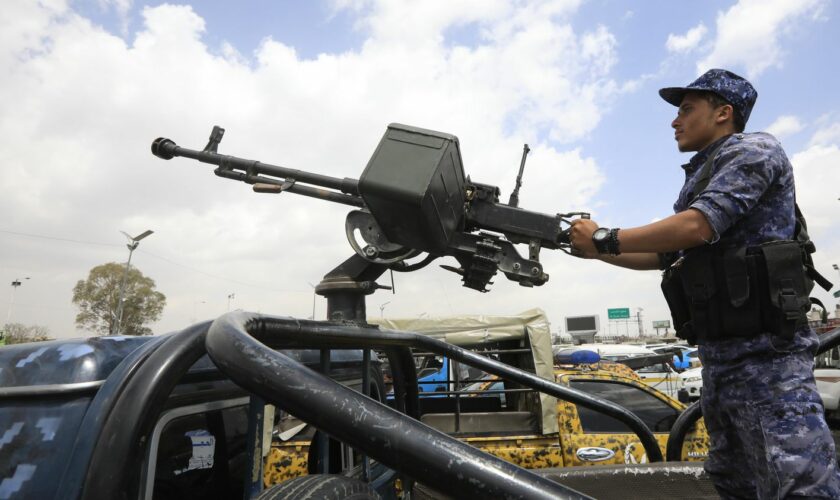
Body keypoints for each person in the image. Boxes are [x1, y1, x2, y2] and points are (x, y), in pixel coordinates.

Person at [569, 68, 840, 498]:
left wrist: (607, 237)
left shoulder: (755, 151)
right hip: (722, 365)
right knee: (735, 485)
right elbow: (666, 254)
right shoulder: (703, 174)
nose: (675, 121)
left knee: (802, 488)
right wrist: (597, 250)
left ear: (723, 113)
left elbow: (697, 227)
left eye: (686, 109)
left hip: (769, 367)